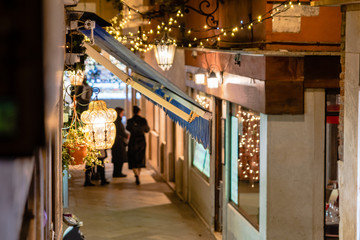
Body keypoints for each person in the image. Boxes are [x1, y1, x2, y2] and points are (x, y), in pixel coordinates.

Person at [126, 106, 150, 185]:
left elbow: (128, 128)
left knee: (133, 158)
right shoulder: (143, 120)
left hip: (133, 141)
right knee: (140, 157)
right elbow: (147, 130)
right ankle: (138, 174)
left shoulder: (130, 121)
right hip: (141, 141)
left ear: (133, 112)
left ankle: (135, 173)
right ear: (139, 112)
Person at [111, 107, 128, 178]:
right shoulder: (118, 122)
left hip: (115, 143)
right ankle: (118, 173)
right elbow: (121, 132)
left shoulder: (115, 121)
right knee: (119, 159)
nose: (123, 114)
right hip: (118, 143)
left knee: (116, 159)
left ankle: (116, 173)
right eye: (122, 113)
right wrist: (126, 135)